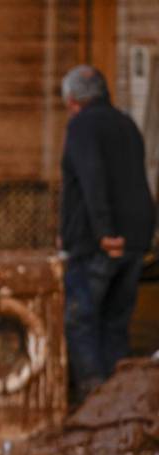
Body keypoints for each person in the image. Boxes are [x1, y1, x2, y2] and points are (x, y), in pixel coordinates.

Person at [58, 65, 155, 402]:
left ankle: (94, 398)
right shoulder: (126, 124)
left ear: (72, 100)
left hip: (101, 243)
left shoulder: (82, 126)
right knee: (116, 322)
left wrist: (103, 232)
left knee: (82, 319)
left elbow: (92, 179)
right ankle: (121, 399)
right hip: (135, 239)